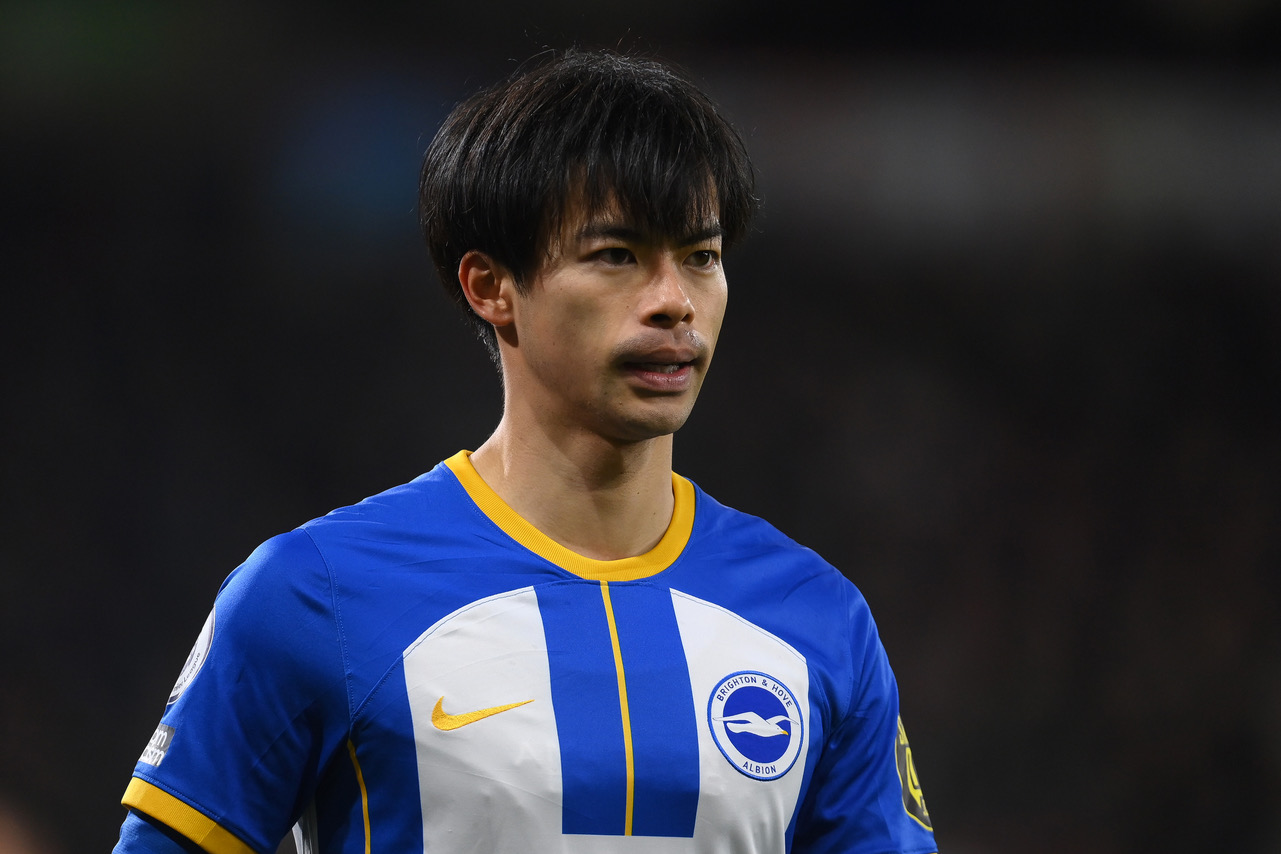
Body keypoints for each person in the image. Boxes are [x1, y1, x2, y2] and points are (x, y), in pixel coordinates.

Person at [113, 49, 938, 854]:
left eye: (700, 257)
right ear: (490, 287)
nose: (673, 302)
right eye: (616, 256)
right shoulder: (313, 596)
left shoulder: (815, 617)